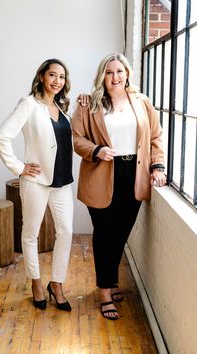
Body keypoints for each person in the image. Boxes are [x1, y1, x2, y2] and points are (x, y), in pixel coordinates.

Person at [71, 53, 166, 320]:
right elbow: (76, 138)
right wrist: (97, 150)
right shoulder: (89, 104)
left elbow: (156, 136)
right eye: (109, 72)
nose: (115, 77)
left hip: (134, 173)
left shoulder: (142, 101)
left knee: (121, 231)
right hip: (101, 173)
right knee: (104, 232)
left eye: (119, 71)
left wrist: (157, 166)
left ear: (127, 74)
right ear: (103, 75)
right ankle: (104, 290)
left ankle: (110, 281)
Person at [0, 58, 74, 312]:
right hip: (36, 182)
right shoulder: (28, 104)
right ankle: (37, 283)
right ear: (42, 76)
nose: (57, 81)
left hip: (62, 182)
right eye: (52, 75)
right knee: (31, 234)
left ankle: (57, 283)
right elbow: (1, 136)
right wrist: (19, 167)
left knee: (66, 232)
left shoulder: (61, 109)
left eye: (61, 77)